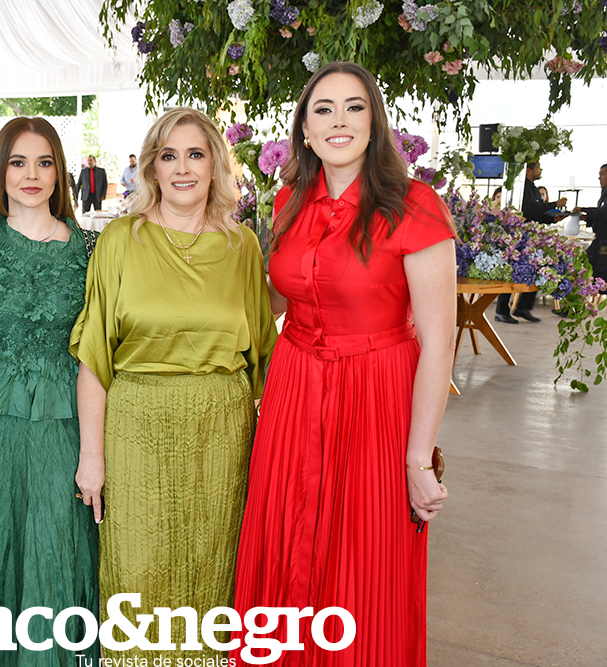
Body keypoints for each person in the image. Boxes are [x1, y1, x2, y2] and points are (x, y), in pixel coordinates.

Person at [231, 61, 455, 666]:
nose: (339, 121)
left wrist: (418, 457)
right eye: (323, 109)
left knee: (365, 556)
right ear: (304, 130)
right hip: (293, 388)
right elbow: (279, 298)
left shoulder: (415, 206)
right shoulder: (287, 202)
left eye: (354, 107)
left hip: (376, 394)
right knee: (286, 538)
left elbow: (439, 342)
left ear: (374, 122)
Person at [70, 107, 274, 661]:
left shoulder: (242, 247)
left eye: (196, 155)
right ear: (152, 168)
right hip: (135, 425)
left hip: (222, 430)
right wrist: (92, 456)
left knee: (214, 570)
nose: (183, 168)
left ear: (215, 166)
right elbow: (95, 357)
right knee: (136, 571)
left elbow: (264, 354)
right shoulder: (119, 240)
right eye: (169, 156)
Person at [0, 117, 100, 666]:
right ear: (0, 171)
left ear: (60, 172)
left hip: (68, 418)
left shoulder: (90, 247)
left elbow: (101, 339)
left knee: (60, 545)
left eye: (44, 162)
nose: (31, 174)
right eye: (18, 162)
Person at [495, 161, 568, 323]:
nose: (540, 170)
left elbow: (537, 214)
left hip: (532, 235)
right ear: (528, 170)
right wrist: (554, 204)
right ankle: (501, 310)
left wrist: (552, 219)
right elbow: (529, 209)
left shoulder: (534, 189)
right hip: (520, 236)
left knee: (537, 267)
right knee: (513, 271)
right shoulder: (522, 188)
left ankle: (523, 307)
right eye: (538, 167)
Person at [574, 163, 607, 286]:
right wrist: (587, 217)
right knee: (588, 263)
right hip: (600, 239)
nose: (599, 178)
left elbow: (604, 213)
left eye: (602, 174)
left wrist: (584, 209)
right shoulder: (604, 194)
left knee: (600, 272)